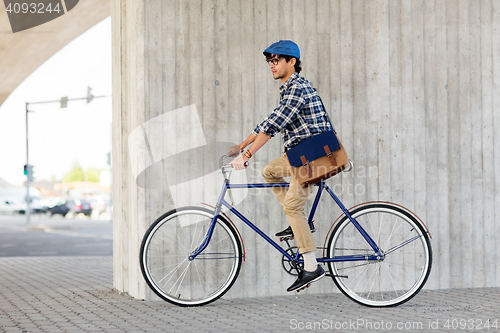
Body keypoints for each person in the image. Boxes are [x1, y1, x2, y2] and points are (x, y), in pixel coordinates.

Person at [229, 40, 334, 292]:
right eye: (270, 61)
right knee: (270, 172)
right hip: (302, 153)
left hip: (316, 154)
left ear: (292, 62)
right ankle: (301, 225)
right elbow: (269, 120)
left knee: (292, 206)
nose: (272, 65)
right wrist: (240, 146)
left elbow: (274, 126)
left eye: (277, 60)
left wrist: (247, 155)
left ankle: (311, 266)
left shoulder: (297, 87)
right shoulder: (288, 89)